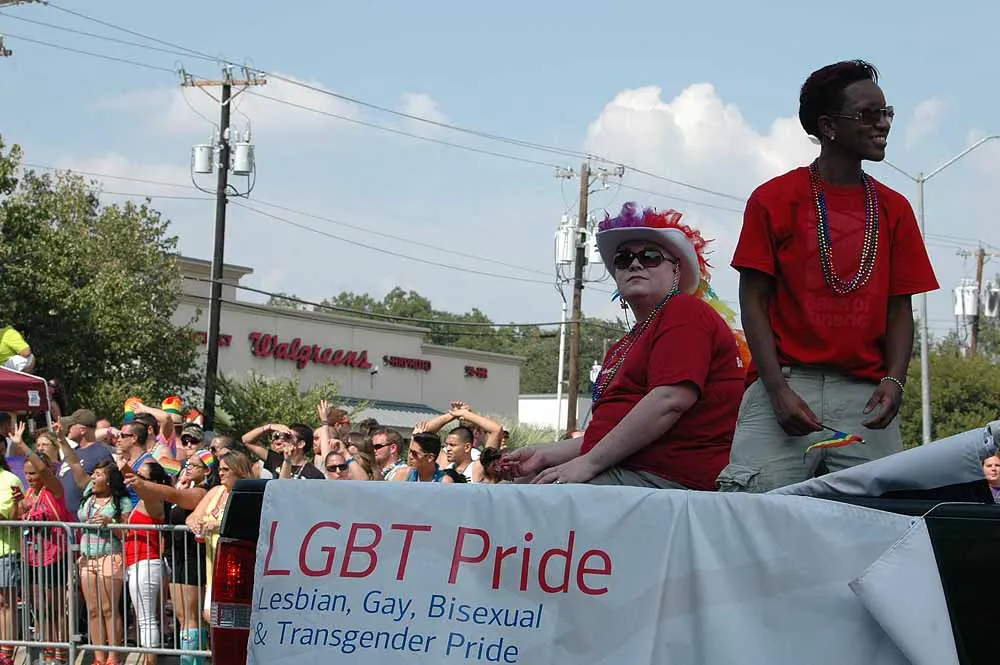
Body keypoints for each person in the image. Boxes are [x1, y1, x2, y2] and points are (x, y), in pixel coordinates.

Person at [717, 60, 940, 494]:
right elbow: (753, 302)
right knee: (754, 515)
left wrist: (895, 381)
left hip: (866, 396)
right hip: (785, 383)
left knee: (880, 519)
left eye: (886, 113)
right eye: (867, 114)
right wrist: (777, 390)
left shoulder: (895, 208)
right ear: (828, 126)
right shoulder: (773, 199)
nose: (882, 124)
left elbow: (900, 309)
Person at [503, 203, 745, 489]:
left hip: (669, 479)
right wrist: (543, 454)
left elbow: (670, 401)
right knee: (509, 494)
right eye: (623, 258)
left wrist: (588, 464)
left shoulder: (685, 311)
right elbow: (604, 435)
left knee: (525, 499)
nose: (635, 264)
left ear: (676, 270)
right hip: (628, 471)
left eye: (650, 256)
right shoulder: (623, 345)